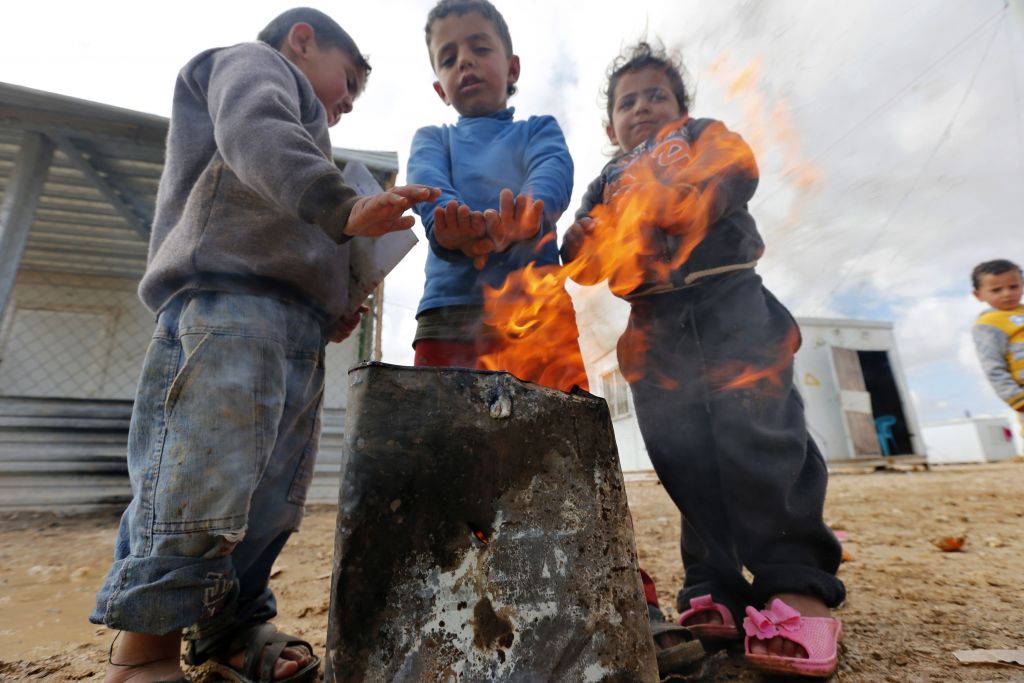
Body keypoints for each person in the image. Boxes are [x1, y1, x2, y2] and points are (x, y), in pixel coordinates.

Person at [91, 9, 439, 683]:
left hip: (296, 328)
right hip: (228, 309)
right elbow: (258, 130)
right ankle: (144, 650)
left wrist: (338, 300)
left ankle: (231, 626)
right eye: (348, 84)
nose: (343, 106)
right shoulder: (254, 68)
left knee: (269, 499)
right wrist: (338, 206)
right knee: (203, 479)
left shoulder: (309, 151)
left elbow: (301, 216)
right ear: (302, 40)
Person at [562, 41, 845, 678]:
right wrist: (581, 239)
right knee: (685, 454)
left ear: (682, 108)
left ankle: (792, 581)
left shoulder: (699, 138)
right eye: (627, 101)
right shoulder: (606, 181)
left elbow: (737, 168)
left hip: (730, 299)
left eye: (655, 95)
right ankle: (711, 584)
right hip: (654, 324)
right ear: (610, 127)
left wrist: (684, 194)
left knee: (759, 435)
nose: (642, 107)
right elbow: (583, 258)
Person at [406, 0, 580, 379]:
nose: (464, 61)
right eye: (448, 59)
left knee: (557, 432)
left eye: (479, 48)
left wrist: (530, 211)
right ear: (440, 89)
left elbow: (553, 167)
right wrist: (449, 224)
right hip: (448, 317)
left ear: (512, 67)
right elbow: (428, 181)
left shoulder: (537, 129)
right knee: (442, 436)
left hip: (538, 313)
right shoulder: (433, 139)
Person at [971, 259, 1024, 414]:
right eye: (996, 290)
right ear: (978, 295)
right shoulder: (988, 323)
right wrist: (1017, 399)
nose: (1007, 293)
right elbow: (993, 366)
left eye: (1013, 287)